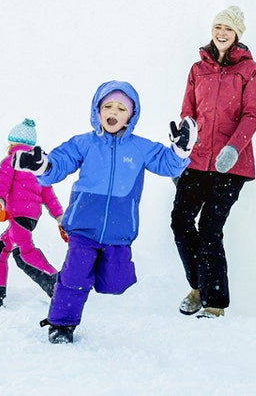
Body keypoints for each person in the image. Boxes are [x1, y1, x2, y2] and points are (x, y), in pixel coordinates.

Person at [12, 80, 197, 344]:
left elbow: (168, 165)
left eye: (121, 108)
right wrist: (42, 166)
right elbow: (59, 163)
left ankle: (88, 278)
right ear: (97, 111)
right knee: (75, 275)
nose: (113, 112)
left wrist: (180, 151)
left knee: (115, 283)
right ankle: (61, 324)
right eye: (107, 106)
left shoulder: (140, 147)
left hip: (119, 230)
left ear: (131, 116)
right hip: (84, 225)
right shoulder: (84, 144)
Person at [170, 5, 256, 319]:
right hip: (196, 161)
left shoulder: (248, 70)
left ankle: (215, 302)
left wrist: (234, 148)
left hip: (230, 165)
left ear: (237, 34)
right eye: (217, 27)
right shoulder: (198, 69)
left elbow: (252, 114)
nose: (221, 32)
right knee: (180, 222)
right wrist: (182, 143)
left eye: (228, 28)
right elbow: (188, 112)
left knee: (210, 229)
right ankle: (198, 286)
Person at [0, 118, 66, 307]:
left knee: (24, 254)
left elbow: (2, 183)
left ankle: (57, 287)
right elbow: (49, 195)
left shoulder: (10, 161)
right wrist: (60, 218)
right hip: (30, 217)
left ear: (12, 143)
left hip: (17, 215)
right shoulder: (38, 166)